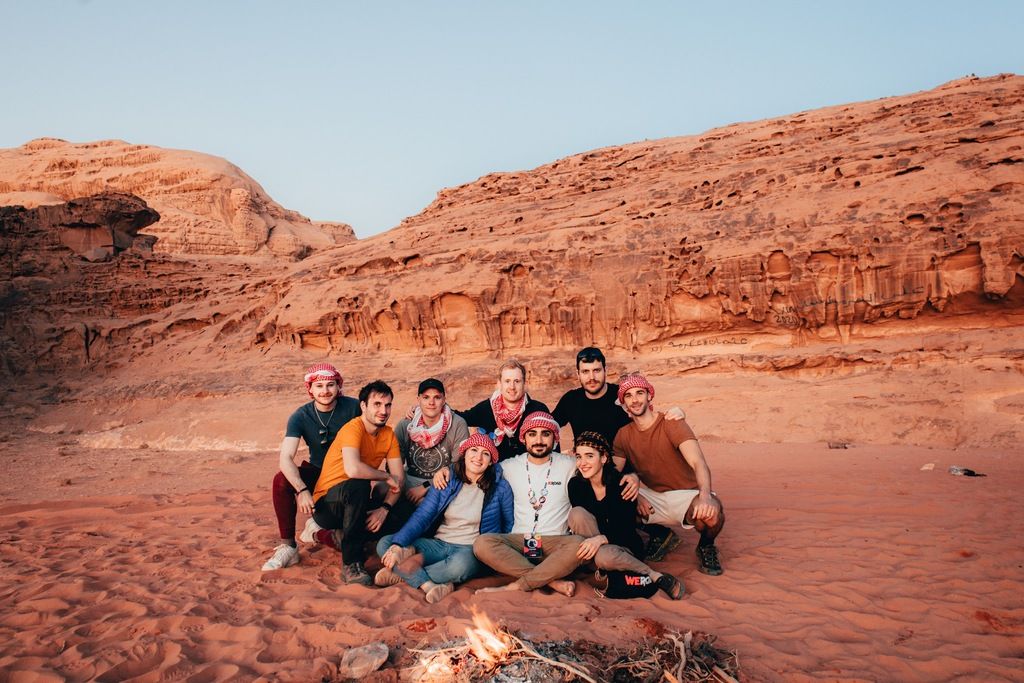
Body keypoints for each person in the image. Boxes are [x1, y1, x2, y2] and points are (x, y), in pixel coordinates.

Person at [551, 346, 682, 562]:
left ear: (605, 370)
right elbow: (549, 427)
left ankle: (634, 542)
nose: (592, 377)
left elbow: (645, 420)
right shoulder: (571, 400)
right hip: (588, 468)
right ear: (578, 374)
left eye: (596, 370)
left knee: (626, 500)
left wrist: (677, 412)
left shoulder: (619, 397)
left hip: (621, 471)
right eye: (586, 372)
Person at [374, 433, 514, 603]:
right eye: (474, 450)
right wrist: (397, 545)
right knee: (386, 544)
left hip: (470, 550)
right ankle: (429, 584)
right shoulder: (448, 479)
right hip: (438, 544)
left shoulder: (500, 487)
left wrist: (495, 552)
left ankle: (402, 573)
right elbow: (423, 515)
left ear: (491, 461)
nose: (478, 457)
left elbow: (508, 524)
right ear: (465, 454)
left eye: (485, 454)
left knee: (460, 567)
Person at [613, 374, 725, 576]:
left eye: (640, 393)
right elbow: (612, 474)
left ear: (649, 396)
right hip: (653, 496)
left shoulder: (671, 422)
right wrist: (636, 496)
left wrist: (705, 496)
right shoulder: (623, 434)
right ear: (624, 403)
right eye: (628, 396)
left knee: (712, 514)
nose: (635, 399)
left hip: (686, 494)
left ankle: (706, 546)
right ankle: (661, 535)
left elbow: (698, 462)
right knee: (615, 501)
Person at [262, 363, 360, 572]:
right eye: (319, 386)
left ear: (338, 386)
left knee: (355, 539)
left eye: (330, 385)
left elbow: (378, 413)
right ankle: (288, 547)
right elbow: (286, 457)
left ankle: (316, 531)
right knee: (281, 480)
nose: (325, 391)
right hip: (317, 473)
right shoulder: (301, 416)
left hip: (347, 474)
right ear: (310, 389)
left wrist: (412, 413)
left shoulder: (354, 407)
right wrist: (302, 489)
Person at [473, 412, 583, 596]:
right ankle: (553, 581)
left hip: (555, 544)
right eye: (532, 434)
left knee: (580, 545)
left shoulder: (570, 464)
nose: (539, 440)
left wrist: (632, 477)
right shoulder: (508, 466)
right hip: (521, 542)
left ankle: (515, 586)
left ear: (555, 438)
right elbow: (474, 469)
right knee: (482, 544)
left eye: (545, 434)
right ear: (523, 438)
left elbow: (600, 468)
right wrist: (445, 471)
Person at [306, 380, 405, 585]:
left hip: (356, 503)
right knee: (358, 484)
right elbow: (353, 469)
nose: (383, 411)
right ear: (363, 406)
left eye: (387, 405)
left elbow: (399, 480)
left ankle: (342, 536)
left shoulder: (388, 435)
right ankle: (352, 563)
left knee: (401, 510)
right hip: (327, 504)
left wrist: (384, 509)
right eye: (377, 404)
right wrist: (385, 476)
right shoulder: (353, 429)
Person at [568, 431, 683, 599]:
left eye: (589, 456)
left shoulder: (622, 485)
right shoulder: (576, 485)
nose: (582, 463)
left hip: (623, 544)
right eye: (579, 456)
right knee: (577, 513)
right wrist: (597, 539)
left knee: (604, 556)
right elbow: (584, 523)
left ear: (604, 458)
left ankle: (653, 575)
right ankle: (601, 570)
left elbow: (625, 529)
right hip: (594, 544)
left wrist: (601, 539)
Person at [394, 378, 469, 506]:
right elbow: (393, 466)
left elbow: (459, 467)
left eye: (437, 397)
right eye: (426, 397)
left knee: (425, 504)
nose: (431, 402)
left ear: (444, 399)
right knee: (381, 489)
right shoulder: (406, 425)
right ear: (418, 400)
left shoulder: (457, 424)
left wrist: (425, 486)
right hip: (410, 480)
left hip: (442, 483)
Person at [457, 359, 549, 463]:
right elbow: (460, 418)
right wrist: (439, 405)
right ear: (499, 384)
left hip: (529, 474)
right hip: (496, 475)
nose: (512, 387)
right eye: (507, 381)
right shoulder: (486, 408)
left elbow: (552, 444)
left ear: (524, 383)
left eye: (517, 381)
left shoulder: (537, 410)